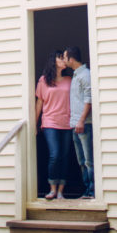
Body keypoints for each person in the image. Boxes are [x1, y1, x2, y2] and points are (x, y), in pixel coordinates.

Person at [35, 49, 72, 200]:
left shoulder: (70, 80)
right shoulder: (44, 81)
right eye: (60, 58)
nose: (64, 60)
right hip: (50, 122)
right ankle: (52, 189)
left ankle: (61, 192)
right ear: (54, 61)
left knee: (64, 156)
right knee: (55, 155)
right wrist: (34, 123)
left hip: (68, 123)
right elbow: (39, 102)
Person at [63, 45, 94, 199]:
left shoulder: (85, 75)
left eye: (64, 57)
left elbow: (89, 100)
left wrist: (81, 121)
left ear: (71, 58)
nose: (63, 59)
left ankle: (92, 191)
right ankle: (86, 190)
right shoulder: (75, 75)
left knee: (89, 160)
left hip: (84, 124)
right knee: (81, 160)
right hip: (74, 124)